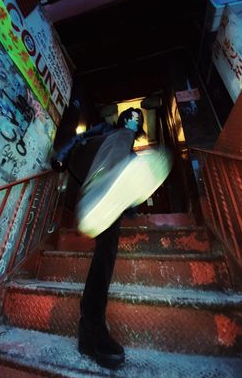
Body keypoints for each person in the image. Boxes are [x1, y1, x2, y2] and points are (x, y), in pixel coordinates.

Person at [51, 107, 172, 369]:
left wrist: (126, 203)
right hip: (91, 164)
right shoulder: (110, 131)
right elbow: (76, 140)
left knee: (104, 258)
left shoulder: (129, 150)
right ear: (122, 119)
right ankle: (103, 183)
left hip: (108, 202)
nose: (134, 121)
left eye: (138, 120)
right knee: (121, 139)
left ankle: (90, 330)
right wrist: (61, 156)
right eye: (131, 117)